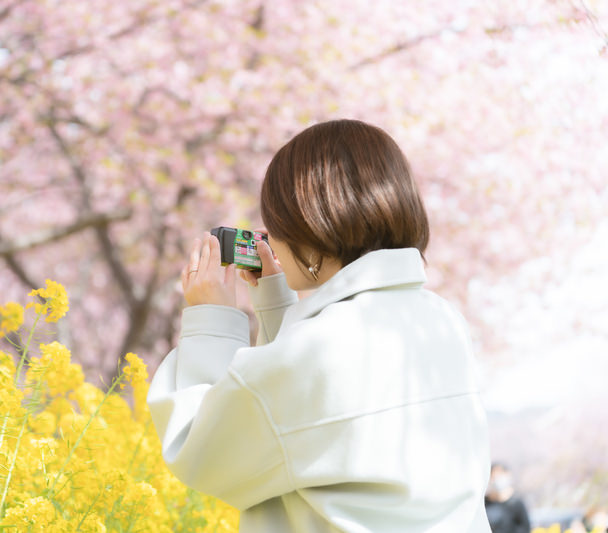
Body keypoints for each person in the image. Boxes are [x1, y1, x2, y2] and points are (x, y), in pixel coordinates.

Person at [147, 119, 492, 532]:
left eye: (276, 222)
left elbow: (199, 450)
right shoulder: (441, 319)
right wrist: (277, 305)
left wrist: (212, 319)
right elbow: (309, 433)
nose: (269, 238)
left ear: (310, 223)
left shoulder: (320, 348)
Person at [484, 463, 531, 533]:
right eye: (493, 476)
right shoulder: (485, 504)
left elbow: (525, 527)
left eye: (499, 475)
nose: (496, 479)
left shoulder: (516, 503)